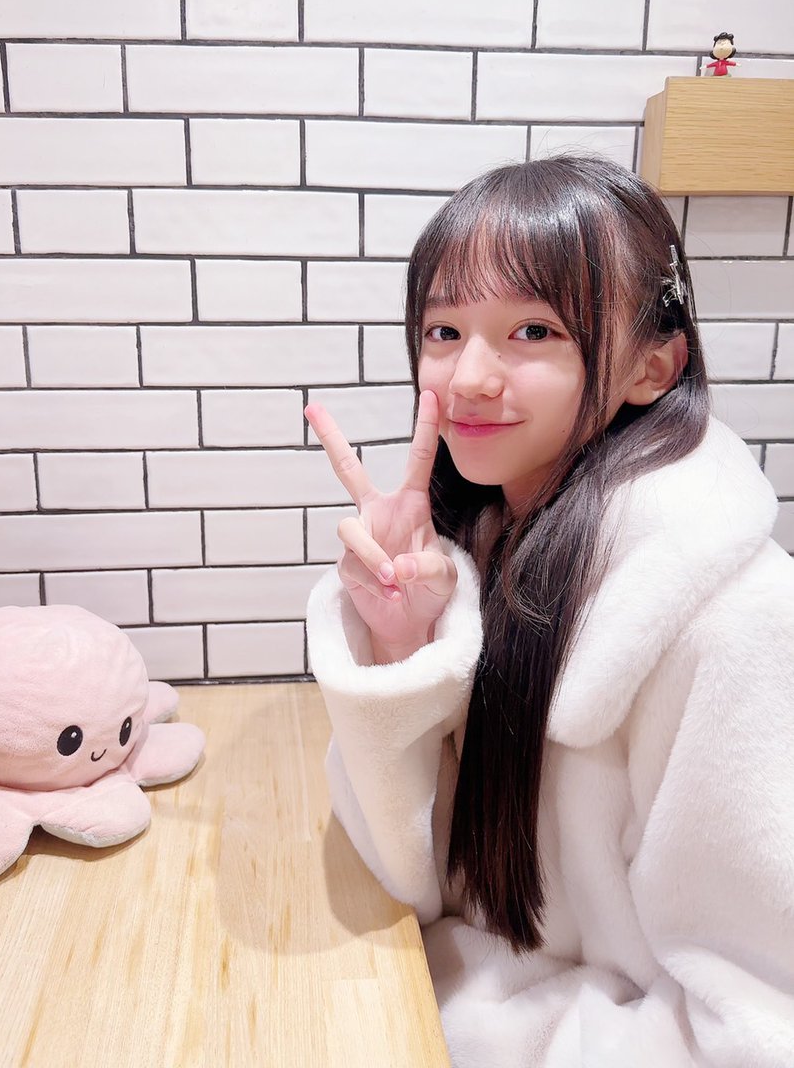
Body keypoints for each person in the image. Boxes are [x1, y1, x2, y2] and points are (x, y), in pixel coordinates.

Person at [303, 155, 794, 1067]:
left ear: (652, 366)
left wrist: (494, 1035)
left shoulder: (732, 619)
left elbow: (760, 1025)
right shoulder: (488, 545)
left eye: (532, 329)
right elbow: (419, 877)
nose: (468, 377)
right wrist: (402, 645)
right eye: (444, 329)